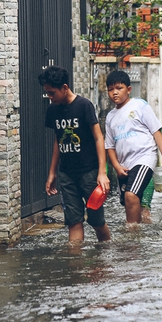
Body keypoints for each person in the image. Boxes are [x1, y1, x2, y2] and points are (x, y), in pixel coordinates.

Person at [39, 65, 111, 243]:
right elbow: (58, 141)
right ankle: (75, 266)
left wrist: (102, 172)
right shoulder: (53, 110)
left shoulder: (83, 105)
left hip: (89, 173)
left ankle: (106, 256)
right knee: (73, 221)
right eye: (47, 93)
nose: (50, 97)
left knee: (96, 220)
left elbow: (98, 138)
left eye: (52, 93)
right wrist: (52, 173)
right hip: (66, 174)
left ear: (65, 88)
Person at [104, 70, 162, 225]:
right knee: (129, 202)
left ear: (128, 89)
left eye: (119, 88)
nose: (114, 93)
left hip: (144, 157)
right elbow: (110, 146)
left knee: (131, 196)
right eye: (110, 89)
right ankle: (142, 229)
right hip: (124, 164)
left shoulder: (140, 106)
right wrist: (116, 166)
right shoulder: (110, 116)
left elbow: (156, 131)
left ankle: (132, 235)